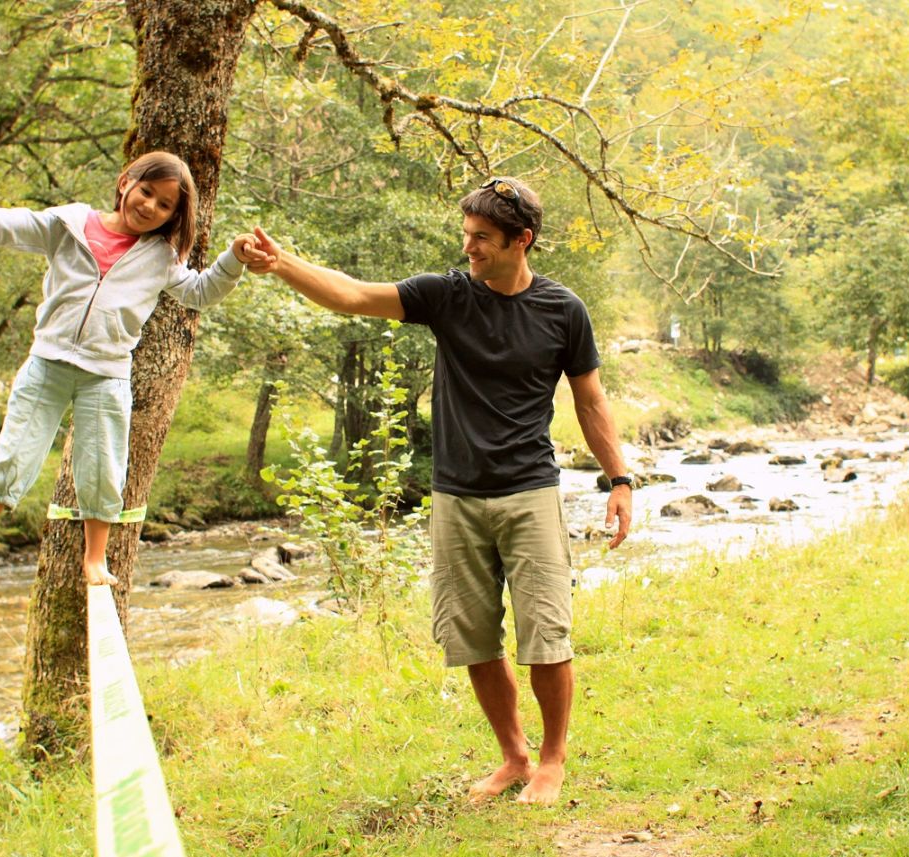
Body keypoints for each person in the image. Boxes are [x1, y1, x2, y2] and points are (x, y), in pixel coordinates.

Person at [236, 177, 632, 805]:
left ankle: (553, 760)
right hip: (455, 495)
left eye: (482, 239)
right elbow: (353, 296)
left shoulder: (564, 310)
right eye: (466, 235)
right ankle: (514, 757)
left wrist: (620, 480)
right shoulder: (447, 296)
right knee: (472, 636)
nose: (468, 248)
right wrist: (281, 263)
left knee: (546, 635)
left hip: (530, 489)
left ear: (520, 241)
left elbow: (590, 400)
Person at [0, 151, 264, 586]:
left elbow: (201, 291)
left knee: (102, 465)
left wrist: (233, 257)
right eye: (147, 192)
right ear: (125, 183)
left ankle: (95, 559)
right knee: (15, 448)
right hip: (48, 362)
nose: (150, 206)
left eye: (164, 204)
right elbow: (0, 224)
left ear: (174, 214)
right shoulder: (68, 225)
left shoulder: (160, 256)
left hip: (106, 372)